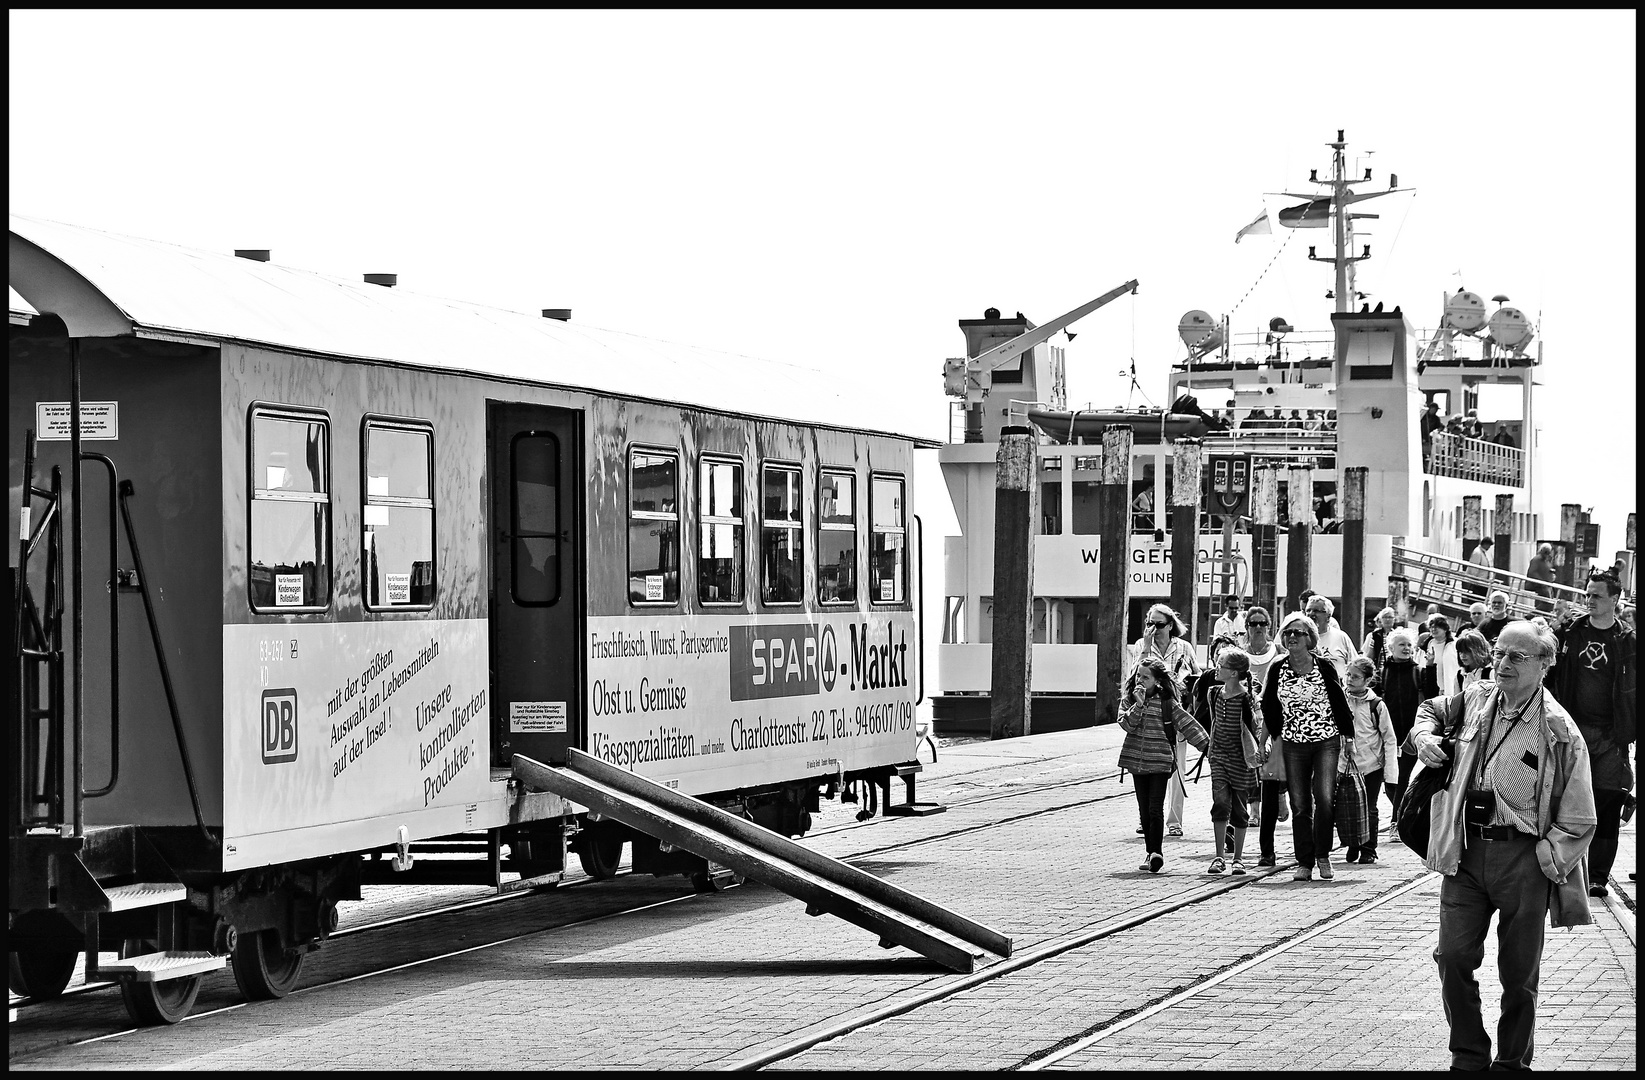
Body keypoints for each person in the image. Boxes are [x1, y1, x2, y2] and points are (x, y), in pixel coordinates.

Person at [1411, 620, 1597, 1071]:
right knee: (1452, 956)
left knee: (1519, 976)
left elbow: (1579, 814)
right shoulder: (1475, 698)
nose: (1502, 663)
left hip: (1523, 858)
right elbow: (1430, 709)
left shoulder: (1559, 729)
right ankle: (1469, 1055)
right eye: (1498, 653)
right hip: (1466, 851)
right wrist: (1423, 738)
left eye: (1516, 657)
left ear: (1544, 665)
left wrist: (1546, 856)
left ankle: (1512, 1062)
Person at [1546, 568, 1635, 898]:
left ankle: (1597, 876)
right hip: (1573, 734)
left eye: (1596, 596)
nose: (1589, 601)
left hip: (1611, 738)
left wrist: (1628, 730)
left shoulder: (1627, 642)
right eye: (1587, 594)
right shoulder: (1571, 635)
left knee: (1607, 805)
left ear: (1615, 600)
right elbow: (1547, 670)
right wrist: (1557, 627)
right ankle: (1565, 868)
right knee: (1568, 805)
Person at [1263, 613, 1354, 881]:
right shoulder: (1278, 668)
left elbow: (1340, 703)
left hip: (1326, 741)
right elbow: (1269, 705)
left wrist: (1349, 739)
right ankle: (1304, 861)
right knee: (1300, 804)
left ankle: (1323, 855)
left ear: (1310, 638)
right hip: (1292, 743)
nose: (1292, 637)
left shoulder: (1324, 667)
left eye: (1299, 633)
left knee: (1324, 799)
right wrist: (1269, 739)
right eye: (1288, 632)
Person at [1118, 656, 1209, 874]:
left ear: (1157, 680)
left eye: (1146, 677)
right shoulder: (1130, 700)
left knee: (1154, 807)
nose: (1140, 680)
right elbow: (1125, 724)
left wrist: (1208, 747)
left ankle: (1156, 852)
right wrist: (1138, 705)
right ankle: (1150, 853)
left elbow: (1187, 723)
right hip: (1136, 763)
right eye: (1139, 675)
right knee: (1144, 810)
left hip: (1160, 761)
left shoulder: (1167, 701)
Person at [1125, 604, 1201, 837]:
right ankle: (1146, 817)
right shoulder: (1140, 646)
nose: (1153, 628)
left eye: (1159, 624)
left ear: (1170, 625)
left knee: (1177, 769)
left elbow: (1197, 679)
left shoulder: (1184, 647)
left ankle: (1174, 820)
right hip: (1146, 717)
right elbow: (1132, 679)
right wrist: (1146, 649)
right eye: (1150, 623)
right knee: (1145, 767)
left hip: (1174, 715)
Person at [1194, 646, 1264, 875]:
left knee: (1239, 809)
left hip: (1241, 759)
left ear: (1234, 672)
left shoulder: (1245, 698)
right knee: (1220, 803)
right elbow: (1213, 722)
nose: (1216, 668)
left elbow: (1254, 728)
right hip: (1219, 757)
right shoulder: (1213, 693)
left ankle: (1238, 858)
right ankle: (1218, 856)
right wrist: (1210, 749)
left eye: (1221, 665)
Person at [1339, 656, 1399, 865]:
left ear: (1367, 680)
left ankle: (1369, 848)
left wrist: (1390, 772)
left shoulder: (1376, 705)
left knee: (1370, 807)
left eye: (1355, 677)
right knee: (1349, 806)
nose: (1349, 680)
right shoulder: (1339, 700)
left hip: (1371, 765)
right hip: (1345, 764)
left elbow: (1389, 738)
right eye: (1348, 675)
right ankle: (1353, 842)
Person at [1242, 607, 1289, 865]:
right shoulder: (1240, 654)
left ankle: (1280, 797)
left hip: (1273, 717)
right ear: (1247, 626)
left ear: (1269, 626)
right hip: (1249, 717)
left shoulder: (1279, 654)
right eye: (1253, 623)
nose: (1258, 627)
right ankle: (1254, 810)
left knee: (1273, 766)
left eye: (1262, 623)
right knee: (1252, 764)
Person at [1380, 627, 1427, 823]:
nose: (1406, 648)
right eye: (1402, 644)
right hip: (1387, 736)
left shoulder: (1419, 671)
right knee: (1389, 781)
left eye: (1409, 645)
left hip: (1410, 735)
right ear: (1391, 648)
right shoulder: (1381, 673)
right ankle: (1405, 811)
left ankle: (1395, 822)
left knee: (1401, 778)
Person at [1305, 594, 1359, 678]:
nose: (1311, 614)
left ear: (1328, 616)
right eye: (1308, 610)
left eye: (1316, 611)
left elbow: (1356, 666)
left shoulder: (1341, 637)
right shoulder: (1299, 637)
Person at [1425, 614, 1458, 699]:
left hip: (1451, 688)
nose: (1433, 629)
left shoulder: (1454, 644)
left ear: (1445, 628)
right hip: (1433, 688)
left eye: (1437, 627)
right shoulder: (1427, 645)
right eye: (1431, 627)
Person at [1362, 607, 1397, 676]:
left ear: (1394, 619)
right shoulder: (1375, 635)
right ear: (1381, 620)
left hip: (1394, 670)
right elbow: (1370, 655)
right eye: (1384, 617)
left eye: (1390, 617)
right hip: (1379, 671)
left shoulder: (1397, 634)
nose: (1387, 619)